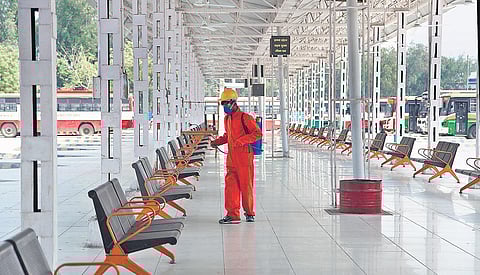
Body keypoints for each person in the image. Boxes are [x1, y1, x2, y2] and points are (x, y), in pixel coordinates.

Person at [211, 88, 262, 224]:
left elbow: (257, 133)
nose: (224, 106)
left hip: (245, 158)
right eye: (222, 104)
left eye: (226, 103)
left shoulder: (245, 117)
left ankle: (249, 213)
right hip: (232, 159)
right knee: (230, 187)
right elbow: (228, 136)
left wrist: (242, 141)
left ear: (234, 102)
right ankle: (232, 214)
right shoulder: (227, 119)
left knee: (246, 186)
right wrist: (217, 142)